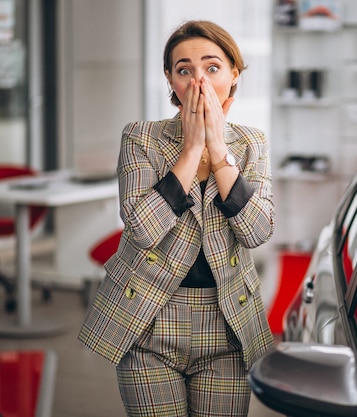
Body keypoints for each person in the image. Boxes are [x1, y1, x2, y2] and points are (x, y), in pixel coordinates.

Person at [78, 20, 275, 417]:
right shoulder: (140, 138)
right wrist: (191, 150)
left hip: (227, 325)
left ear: (234, 73)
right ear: (170, 80)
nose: (198, 81)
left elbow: (258, 231)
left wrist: (218, 151)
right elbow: (142, 229)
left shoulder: (252, 143)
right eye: (184, 69)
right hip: (148, 321)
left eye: (212, 67)